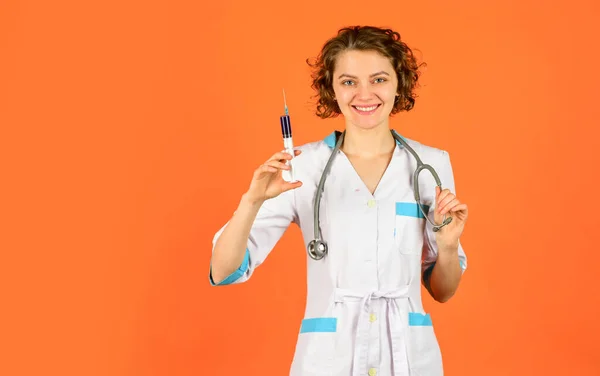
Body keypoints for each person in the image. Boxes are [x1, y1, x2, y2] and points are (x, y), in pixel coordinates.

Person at [208, 25, 469, 376]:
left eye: (378, 79)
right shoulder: (303, 166)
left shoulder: (431, 165)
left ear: (398, 84)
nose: (364, 94)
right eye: (348, 82)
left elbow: (443, 291)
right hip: (329, 360)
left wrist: (448, 248)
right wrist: (251, 201)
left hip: (408, 359)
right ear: (331, 88)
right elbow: (224, 270)